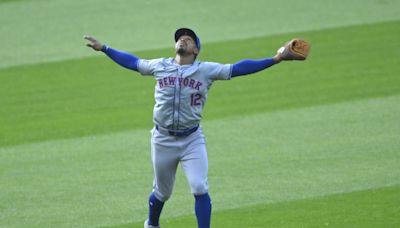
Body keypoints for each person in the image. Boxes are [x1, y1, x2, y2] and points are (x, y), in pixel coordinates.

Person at [85, 28, 285, 228]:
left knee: (199, 187)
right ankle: (152, 224)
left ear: (196, 49)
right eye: (180, 39)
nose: (182, 41)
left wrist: (275, 59)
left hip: (192, 140)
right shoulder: (159, 65)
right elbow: (132, 62)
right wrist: (104, 48)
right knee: (162, 192)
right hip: (162, 139)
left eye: (188, 40)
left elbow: (239, 68)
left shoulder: (206, 70)